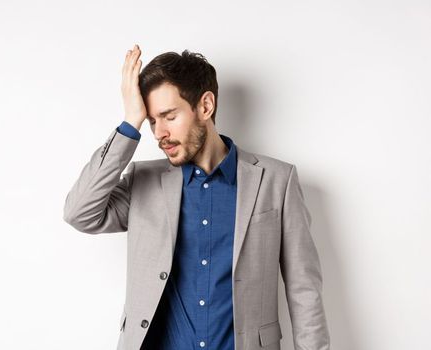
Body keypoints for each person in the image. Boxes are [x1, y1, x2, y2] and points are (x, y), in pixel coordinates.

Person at [62, 44, 330, 350]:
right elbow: (79, 213)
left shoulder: (276, 181)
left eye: (168, 116)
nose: (159, 133)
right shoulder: (143, 183)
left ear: (205, 106)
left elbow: (304, 289)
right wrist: (130, 123)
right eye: (152, 121)